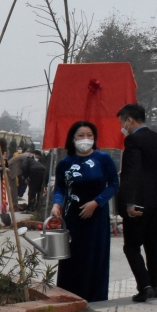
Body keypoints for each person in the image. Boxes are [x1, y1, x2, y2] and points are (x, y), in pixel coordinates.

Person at [49, 121, 119, 302]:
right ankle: (68, 295)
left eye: (89, 135)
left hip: (96, 218)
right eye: (81, 135)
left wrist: (96, 203)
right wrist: (56, 204)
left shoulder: (103, 159)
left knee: (94, 257)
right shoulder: (65, 163)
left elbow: (113, 185)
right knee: (71, 257)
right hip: (72, 218)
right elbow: (60, 188)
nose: (85, 139)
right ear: (72, 138)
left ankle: (94, 297)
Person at [118, 104, 157, 302]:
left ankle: (144, 286)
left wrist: (129, 202)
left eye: (122, 122)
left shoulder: (133, 140)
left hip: (140, 202)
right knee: (153, 243)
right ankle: (154, 284)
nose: (123, 127)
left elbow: (133, 172)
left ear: (130, 120)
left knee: (132, 246)